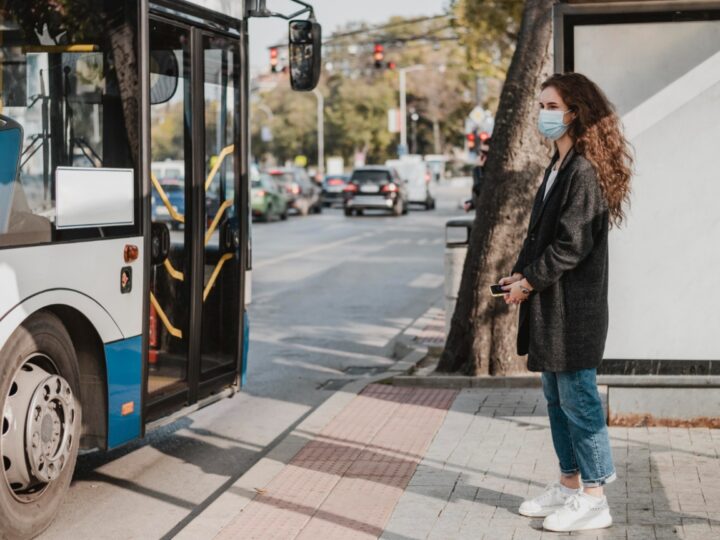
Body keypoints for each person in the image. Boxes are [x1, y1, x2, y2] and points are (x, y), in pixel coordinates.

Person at [498, 72, 633, 532]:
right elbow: (541, 237)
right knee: (557, 399)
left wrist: (529, 283)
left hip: (574, 311)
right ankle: (569, 485)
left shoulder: (584, 171)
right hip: (551, 308)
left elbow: (571, 245)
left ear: (575, 112)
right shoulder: (558, 166)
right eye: (541, 106)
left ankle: (595, 496)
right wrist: (518, 273)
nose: (543, 115)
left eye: (551, 107)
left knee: (579, 400)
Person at [463, 140, 490, 212]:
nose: (481, 156)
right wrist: (471, 203)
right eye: (480, 152)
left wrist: (478, 170)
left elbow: (482, 190)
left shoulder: (490, 171)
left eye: (485, 153)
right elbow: (480, 195)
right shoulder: (481, 169)